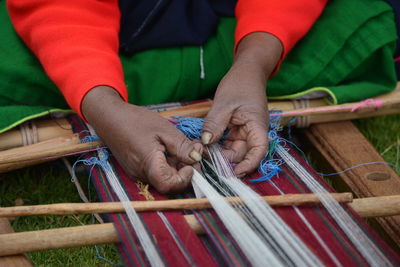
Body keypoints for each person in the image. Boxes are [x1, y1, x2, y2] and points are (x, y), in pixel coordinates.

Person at [5, 0, 397, 193]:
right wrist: (103, 105)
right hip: (104, 23)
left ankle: (160, 74)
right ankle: (105, 80)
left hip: (237, 21)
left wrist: (254, 61)